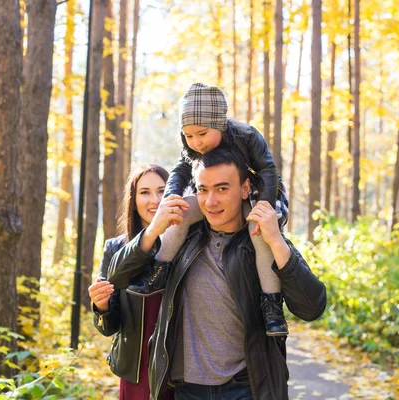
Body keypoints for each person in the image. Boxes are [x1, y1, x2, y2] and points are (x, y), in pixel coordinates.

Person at [107, 148, 327, 400]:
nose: (210, 202)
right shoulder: (181, 238)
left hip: (248, 386)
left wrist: (276, 241)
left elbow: (312, 307)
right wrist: (154, 227)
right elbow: (118, 277)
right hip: (187, 389)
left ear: (245, 189)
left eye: (222, 189)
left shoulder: (262, 242)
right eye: (203, 190)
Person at [127, 82, 291, 337]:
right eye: (189, 136)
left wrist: (264, 206)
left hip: (257, 193)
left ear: (219, 123)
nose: (196, 143)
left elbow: (268, 170)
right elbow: (181, 170)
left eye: (202, 134)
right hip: (211, 196)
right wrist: (171, 198)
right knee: (179, 213)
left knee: (259, 234)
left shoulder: (246, 136)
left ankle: (272, 305)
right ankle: (159, 270)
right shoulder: (191, 148)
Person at [88, 164, 174, 400]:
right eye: (144, 192)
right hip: (137, 369)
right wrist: (102, 305)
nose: (154, 200)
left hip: (179, 368)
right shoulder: (115, 248)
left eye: (162, 191)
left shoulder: (184, 246)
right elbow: (109, 327)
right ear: (133, 200)